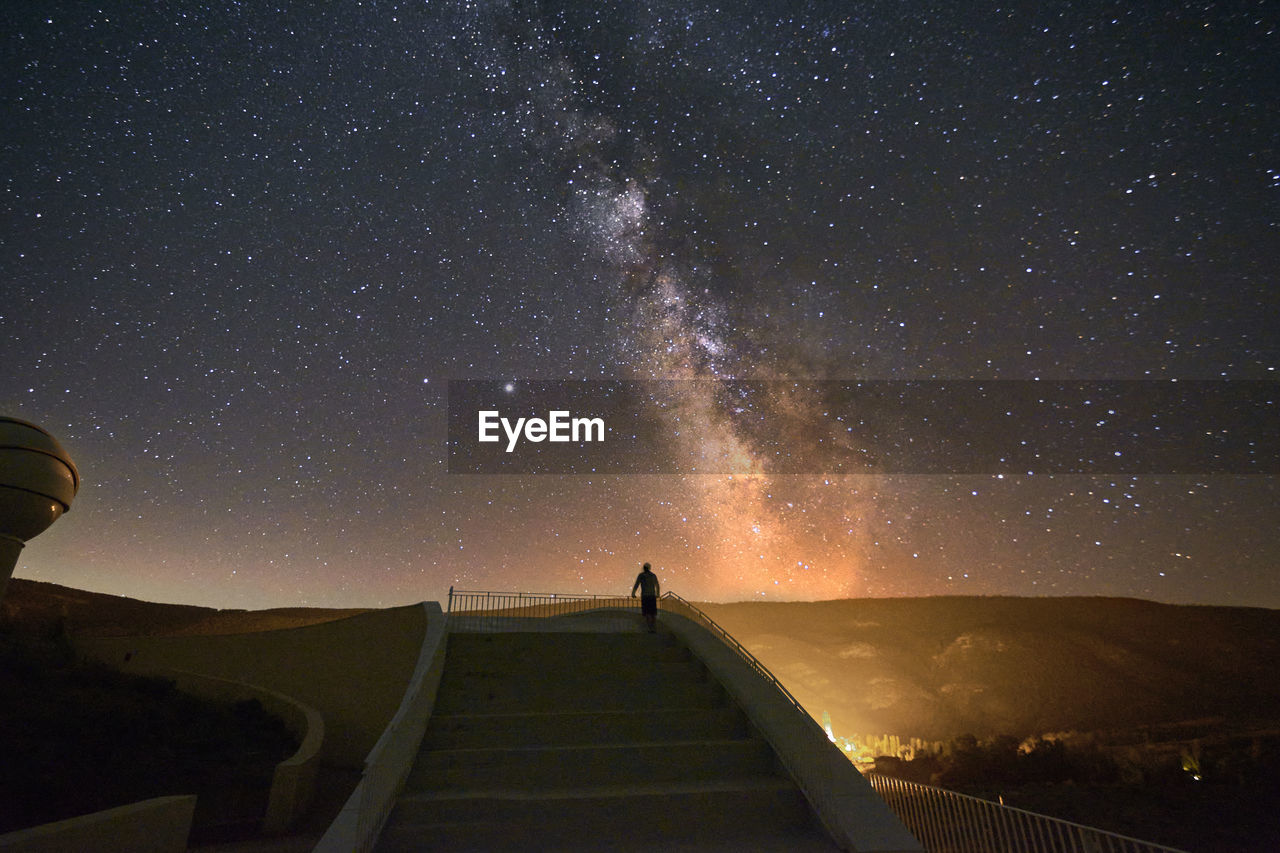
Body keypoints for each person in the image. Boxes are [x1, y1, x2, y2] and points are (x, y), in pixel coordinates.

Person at [631, 562, 660, 632]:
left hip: (645, 596)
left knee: (647, 613)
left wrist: (633, 593)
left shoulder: (641, 575)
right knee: (652, 613)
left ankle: (650, 628)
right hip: (652, 596)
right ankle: (653, 628)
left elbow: (636, 584)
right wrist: (658, 594)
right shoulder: (653, 575)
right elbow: (657, 585)